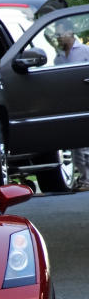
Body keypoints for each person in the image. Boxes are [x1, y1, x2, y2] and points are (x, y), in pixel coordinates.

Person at [53, 18, 89, 191]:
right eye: (57, 35)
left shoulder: (84, 51)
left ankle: (87, 179)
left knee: (85, 144)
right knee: (76, 145)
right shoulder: (58, 57)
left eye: (61, 34)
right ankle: (84, 178)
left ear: (71, 33)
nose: (59, 38)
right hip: (68, 105)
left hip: (84, 102)